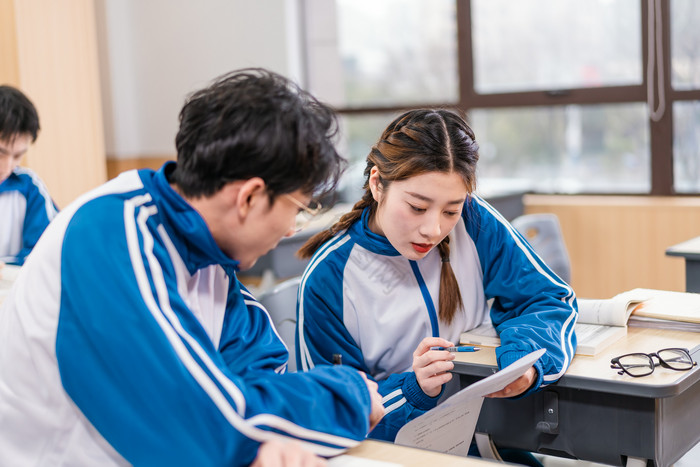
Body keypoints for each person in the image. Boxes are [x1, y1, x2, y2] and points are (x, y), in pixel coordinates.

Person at [0, 69, 384, 467]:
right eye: (298, 209)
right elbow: (206, 425)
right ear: (249, 197)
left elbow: (258, 375)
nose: (291, 228)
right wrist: (350, 393)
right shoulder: (112, 232)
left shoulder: (212, 257)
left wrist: (266, 437)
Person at [295, 109, 577, 454]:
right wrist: (412, 388)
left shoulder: (474, 220)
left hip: (489, 439)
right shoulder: (329, 277)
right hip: (392, 453)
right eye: (417, 207)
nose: (434, 230)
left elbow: (547, 298)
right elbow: (330, 413)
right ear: (377, 184)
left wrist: (527, 361)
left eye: (450, 210)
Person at [0, 85, 58, 266]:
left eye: (18, 156)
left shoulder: (28, 187)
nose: (7, 166)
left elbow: (48, 250)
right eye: (0, 153)